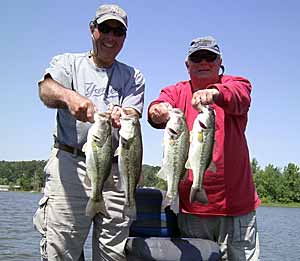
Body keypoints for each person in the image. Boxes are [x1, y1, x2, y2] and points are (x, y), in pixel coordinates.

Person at [33, 4, 145, 261]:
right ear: (92, 29)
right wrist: (69, 97)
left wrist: (124, 115)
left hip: (117, 171)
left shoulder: (133, 76)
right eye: (105, 28)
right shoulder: (67, 63)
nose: (111, 37)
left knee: (113, 255)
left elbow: (133, 114)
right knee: (60, 252)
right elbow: (46, 88)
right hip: (70, 166)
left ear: (124, 38)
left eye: (118, 32)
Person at [148, 36, 260, 260]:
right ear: (187, 65)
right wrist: (157, 111)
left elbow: (241, 95)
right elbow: (157, 107)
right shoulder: (177, 92)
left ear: (220, 62)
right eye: (197, 58)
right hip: (193, 212)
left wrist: (216, 93)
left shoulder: (235, 84)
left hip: (237, 210)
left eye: (209, 57)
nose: (203, 63)